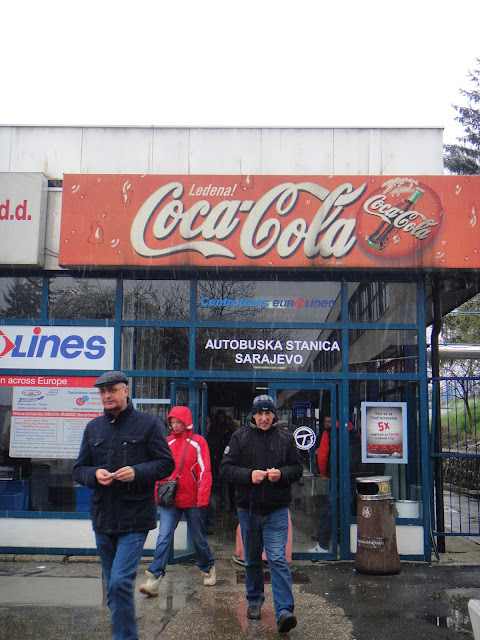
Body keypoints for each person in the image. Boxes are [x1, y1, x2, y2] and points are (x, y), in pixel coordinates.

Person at [73, 371, 174, 640]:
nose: (107, 395)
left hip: (134, 518)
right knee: (115, 588)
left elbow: (166, 464)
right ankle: (123, 629)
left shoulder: (148, 424)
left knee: (119, 583)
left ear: (125, 391)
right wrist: (93, 475)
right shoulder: (93, 427)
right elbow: (79, 469)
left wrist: (138, 472)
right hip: (103, 518)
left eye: (112, 390)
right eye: (102, 391)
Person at [220, 394, 303, 634]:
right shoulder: (240, 437)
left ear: (274, 415)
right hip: (248, 509)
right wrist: (249, 475)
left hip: (276, 509)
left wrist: (283, 474)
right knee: (253, 559)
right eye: (260, 413)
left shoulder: (286, 438)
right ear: (253, 415)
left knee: (277, 559)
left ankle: (284, 611)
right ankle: (255, 599)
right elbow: (225, 468)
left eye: (268, 413)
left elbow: (297, 469)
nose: (264, 418)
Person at [139, 405, 216, 596]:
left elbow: (205, 472)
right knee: (164, 535)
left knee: (198, 537)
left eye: (178, 421)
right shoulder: (168, 443)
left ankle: (208, 567)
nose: (175, 425)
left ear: (186, 422)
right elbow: (160, 469)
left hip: (193, 499)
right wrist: (160, 491)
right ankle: (154, 577)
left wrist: (202, 498)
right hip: (171, 499)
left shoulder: (199, 442)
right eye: (172, 422)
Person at [310, 415, 333, 553]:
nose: (327, 424)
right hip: (348, 478)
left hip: (331, 477)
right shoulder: (353, 432)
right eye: (325, 422)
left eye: (329, 422)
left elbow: (322, 456)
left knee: (328, 511)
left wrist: (323, 474)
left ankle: (323, 543)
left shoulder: (327, 434)